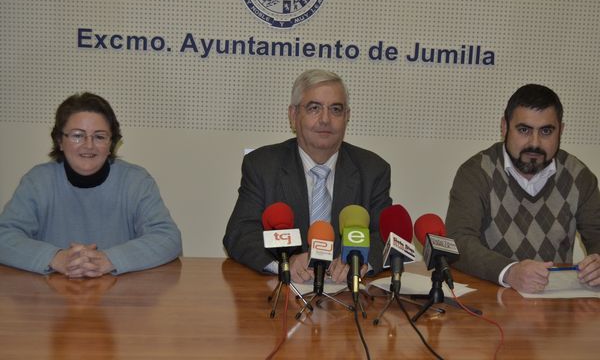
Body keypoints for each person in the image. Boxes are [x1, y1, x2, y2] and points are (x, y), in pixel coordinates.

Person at [223, 69, 392, 283]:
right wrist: (285, 264)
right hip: (284, 291)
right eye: (314, 108)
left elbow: (385, 237)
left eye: (336, 109)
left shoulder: (372, 169)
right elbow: (240, 234)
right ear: (293, 115)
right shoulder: (262, 166)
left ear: (347, 117)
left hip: (347, 293)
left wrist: (360, 263)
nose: (325, 119)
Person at [0, 92, 182, 277]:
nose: (88, 145)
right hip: (52, 290)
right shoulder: (37, 182)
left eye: (99, 137)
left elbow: (168, 239)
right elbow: (4, 237)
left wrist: (110, 259)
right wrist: (55, 258)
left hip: (120, 291)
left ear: (111, 143)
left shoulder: (136, 181)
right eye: (77, 135)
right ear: (60, 141)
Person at [446, 84, 600, 293]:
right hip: (490, 297)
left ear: (561, 131)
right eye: (524, 130)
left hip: (556, 300)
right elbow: (458, 241)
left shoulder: (579, 176)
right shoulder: (476, 173)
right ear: (504, 127)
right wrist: (509, 271)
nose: (534, 143)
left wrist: (597, 263)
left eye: (546, 131)